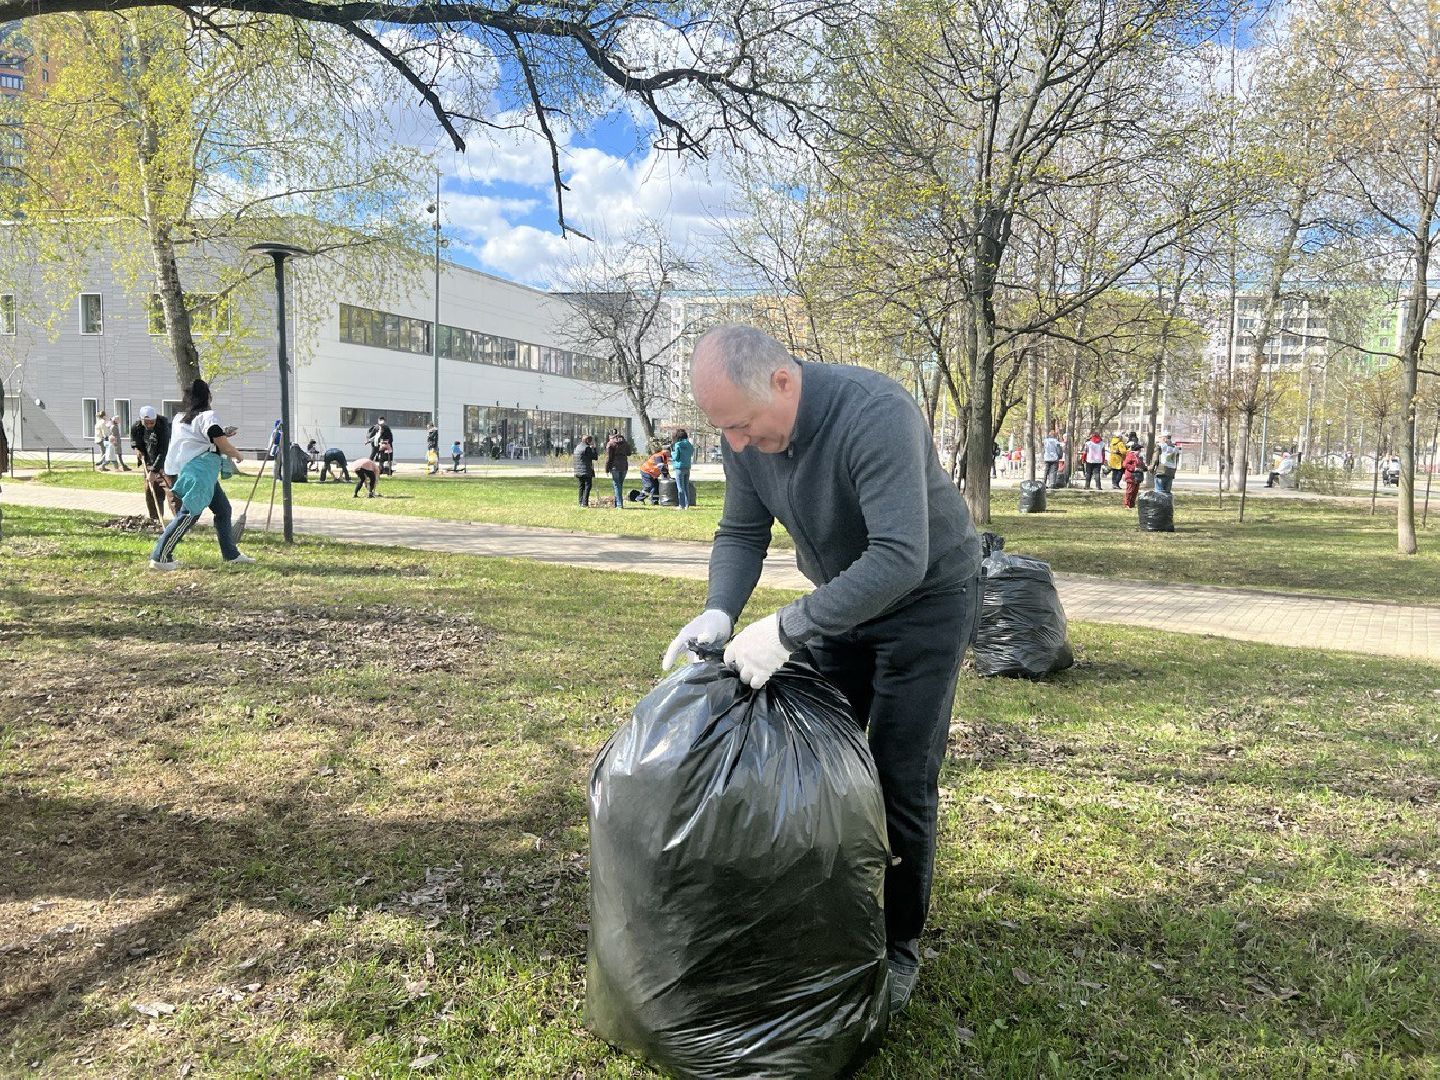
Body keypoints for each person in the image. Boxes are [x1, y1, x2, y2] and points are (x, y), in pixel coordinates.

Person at [660, 324, 983, 1016]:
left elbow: (901, 558)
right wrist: (720, 611)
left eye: (743, 427)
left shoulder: (875, 413)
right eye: (726, 432)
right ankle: (822, 919)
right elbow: (742, 531)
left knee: (898, 776)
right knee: (815, 764)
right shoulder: (743, 433)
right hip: (845, 597)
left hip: (928, 600)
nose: (738, 445)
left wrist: (787, 627)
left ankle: (898, 947)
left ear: (783, 381)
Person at [149, 378, 252, 570]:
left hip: (183, 470)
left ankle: (231, 554)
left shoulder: (180, 418)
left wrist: (222, 433)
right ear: (208, 397)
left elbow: (198, 438)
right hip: (198, 472)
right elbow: (220, 443)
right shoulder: (208, 416)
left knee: (223, 509)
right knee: (189, 514)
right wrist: (237, 454)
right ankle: (160, 556)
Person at [130, 405, 172, 525]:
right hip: (148, 460)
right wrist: (138, 450)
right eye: (146, 423)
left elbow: (163, 451)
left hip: (166, 462)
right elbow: (135, 442)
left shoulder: (163, 425)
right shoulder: (136, 426)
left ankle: (180, 519)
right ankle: (155, 519)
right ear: (141, 420)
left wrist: (154, 471)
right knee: (150, 489)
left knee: (171, 491)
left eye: (151, 423)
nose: (149, 425)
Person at [604, 428, 630, 508]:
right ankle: (617, 503)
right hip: (624, 466)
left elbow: (608, 457)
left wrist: (606, 468)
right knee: (620, 485)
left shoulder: (610, 444)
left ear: (610, 436)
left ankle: (619, 504)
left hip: (615, 466)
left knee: (616, 485)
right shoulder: (625, 442)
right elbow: (629, 453)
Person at [671, 428, 695, 509]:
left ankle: (681, 505)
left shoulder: (677, 445)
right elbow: (691, 453)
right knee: (686, 487)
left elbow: (676, 457)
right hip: (687, 467)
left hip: (679, 467)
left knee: (680, 487)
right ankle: (687, 505)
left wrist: (672, 453)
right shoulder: (689, 444)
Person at [572, 433, 598, 506]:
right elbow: (595, 457)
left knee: (581, 486)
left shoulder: (577, 447)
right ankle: (585, 503)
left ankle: (580, 502)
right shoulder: (587, 448)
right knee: (587, 486)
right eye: (590, 440)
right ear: (587, 440)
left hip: (578, 471)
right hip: (586, 470)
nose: (590, 442)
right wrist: (594, 448)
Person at [1121, 441, 1145, 509]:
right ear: (1136, 450)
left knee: (1135, 491)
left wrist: (1145, 468)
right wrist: (1134, 468)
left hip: (1137, 476)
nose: (1140, 451)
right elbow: (1125, 464)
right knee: (1129, 491)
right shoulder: (1130, 455)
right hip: (1131, 476)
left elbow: (1141, 464)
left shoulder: (1138, 457)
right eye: (1139, 450)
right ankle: (1126, 504)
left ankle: (1132, 504)